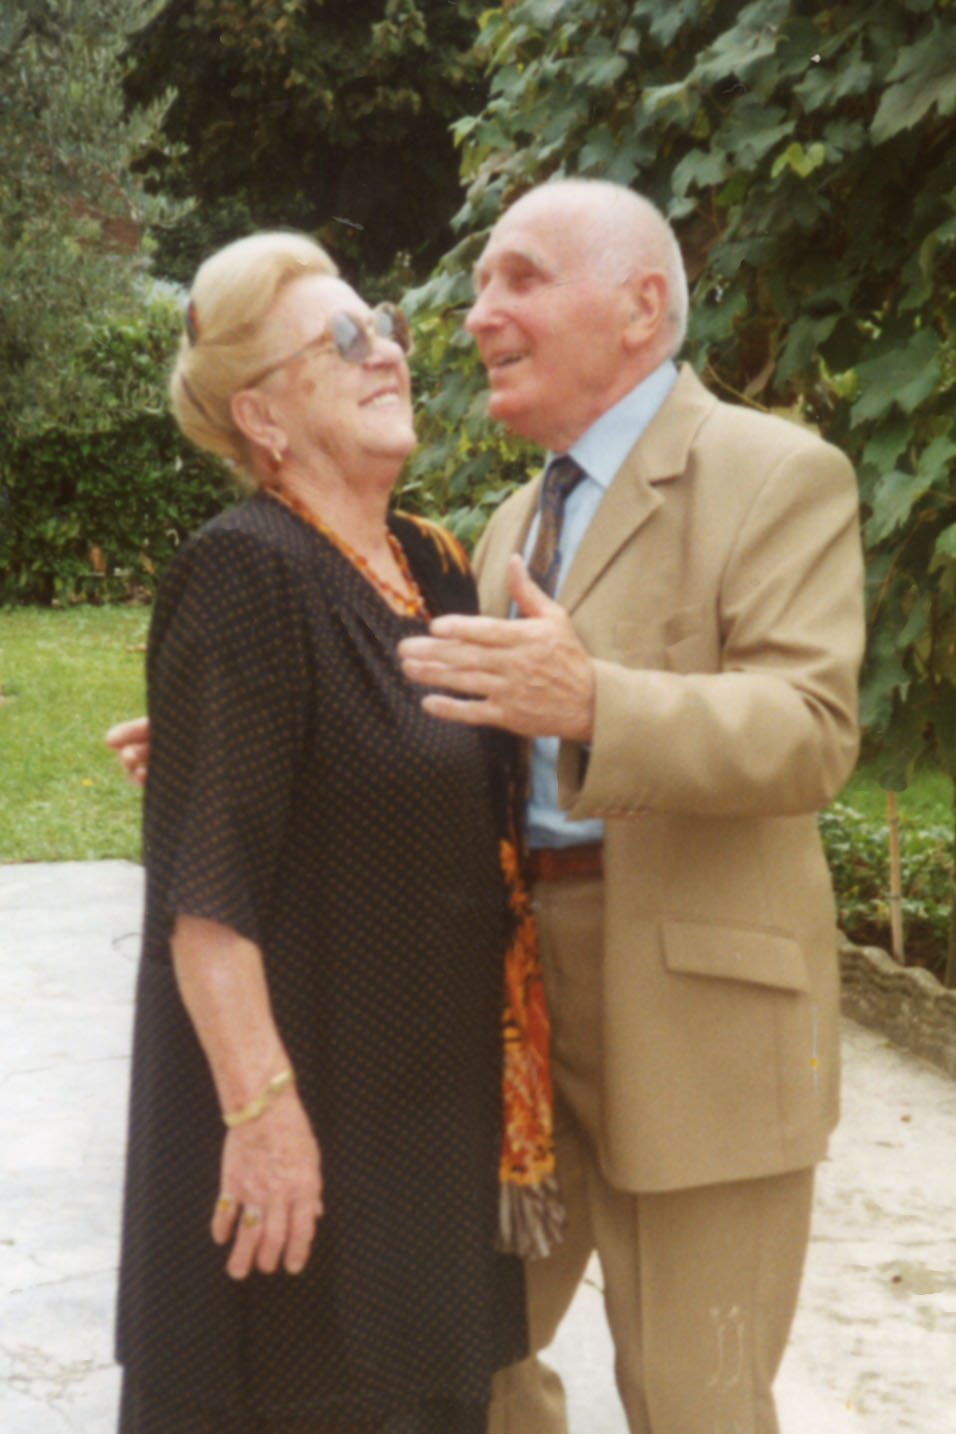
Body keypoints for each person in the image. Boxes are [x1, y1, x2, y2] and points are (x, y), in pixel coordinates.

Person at [395, 178, 866, 1434]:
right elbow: (455, 732)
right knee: (464, 1374)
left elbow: (809, 729)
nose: (477, 314)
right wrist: (251, 743)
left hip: (700, 1018)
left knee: (691, 1400)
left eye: (520, 278)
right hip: (514, 1005)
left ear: (640, 307)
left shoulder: (775, 474)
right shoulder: (512, 519)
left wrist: (594, 701)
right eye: (479, 285)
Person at [110, 229, 554, 1434]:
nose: (389, 352)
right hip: (306, 1136)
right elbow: (204, 900)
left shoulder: (429, 568)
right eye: (344, 339)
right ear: (261, 416)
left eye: (385, 325)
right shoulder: (244, 571)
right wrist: (262, 1120)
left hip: (426, 1130)